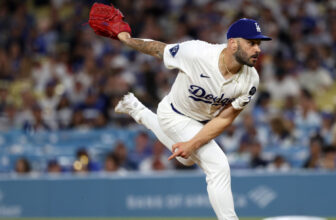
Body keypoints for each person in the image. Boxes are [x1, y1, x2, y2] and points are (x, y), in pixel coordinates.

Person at [88, 4, 271, 219]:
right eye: (251, 43)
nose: (258, 49)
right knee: (218, 165)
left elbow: (225, 119)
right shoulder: (198, 53)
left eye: (258, 43)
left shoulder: (251, 79)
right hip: (174, 114)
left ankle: (138, 110)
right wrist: (127, 40)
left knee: (188, 159)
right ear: (233, 44)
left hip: (202, 122)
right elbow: (159, 49)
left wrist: (192, 143)